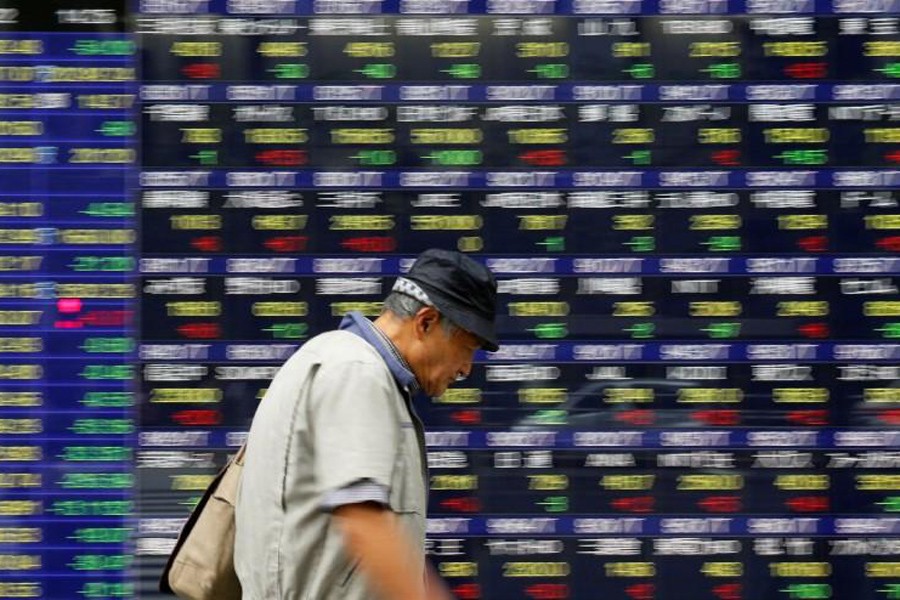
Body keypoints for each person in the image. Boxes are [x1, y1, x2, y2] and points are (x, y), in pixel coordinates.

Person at [234, 248, 498, 600]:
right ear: (426, 322)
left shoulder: (341, 361)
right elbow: (363, 517)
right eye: (467, 348)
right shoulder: (356, 372)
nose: (466, 368)